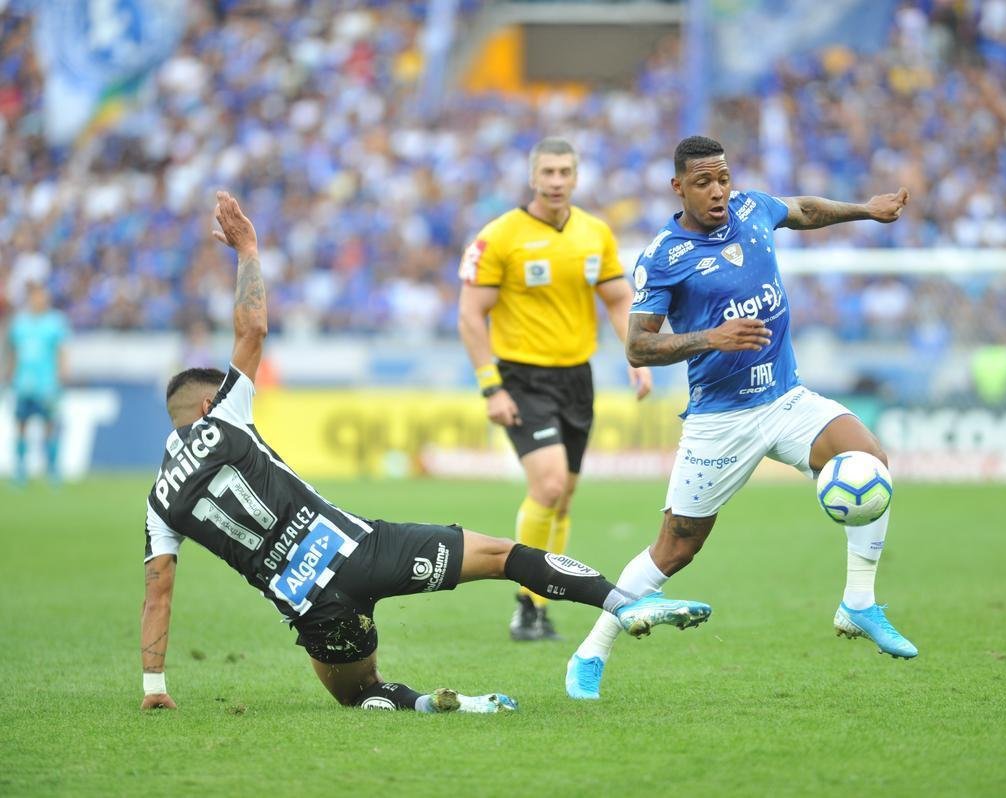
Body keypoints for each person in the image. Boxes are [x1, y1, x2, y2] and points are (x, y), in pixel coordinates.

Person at [140, 192, 711, 714]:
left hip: (313, 608)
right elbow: (253, 330)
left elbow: (158, 591)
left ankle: (445, 705)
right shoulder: (225, 416)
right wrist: (247, 248)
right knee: (504, 556)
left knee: (359, 692)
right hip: (363, 550)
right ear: (209, 402)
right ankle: (620, 603)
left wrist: (154, 686)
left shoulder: (160, 502)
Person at [564, 136, 917, 700]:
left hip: (785, 398)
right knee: (675, 549)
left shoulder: (753, 209)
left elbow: (803, 210)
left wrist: (865, 210)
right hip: (720, 420)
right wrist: (713, 338)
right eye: (703, 182)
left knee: (869, 459)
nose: (718, 192)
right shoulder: (664, 257)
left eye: (723, 179)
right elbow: (637, 346)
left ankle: (859, 603)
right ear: (678, 187)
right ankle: (591, 651)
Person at [457, 137, 653, 641]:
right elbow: (471, 315)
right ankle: (525, 602)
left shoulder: (594, 233)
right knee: (546, 486)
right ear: (533, 177)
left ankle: (540, 607)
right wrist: (492, 388)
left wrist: (637, 354)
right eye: (548, 172)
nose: (557, 181)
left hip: (576, 379)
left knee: (562, 499)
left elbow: (617, 299)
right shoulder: (501, 236)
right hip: (522, 378)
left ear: (576, 177)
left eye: (565, 171)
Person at [4, 282, 70, 485]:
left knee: (49, 425)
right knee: (21, 425)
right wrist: (9, 373)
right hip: (23, 384)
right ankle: (20, 471)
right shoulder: (19, 324)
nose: (39, 300)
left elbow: (61, 351)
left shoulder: (55, 322)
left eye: (42, 296)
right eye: (36, 296)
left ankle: (52, 471)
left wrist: (62, 374)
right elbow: (12, 351)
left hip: (46, 385)